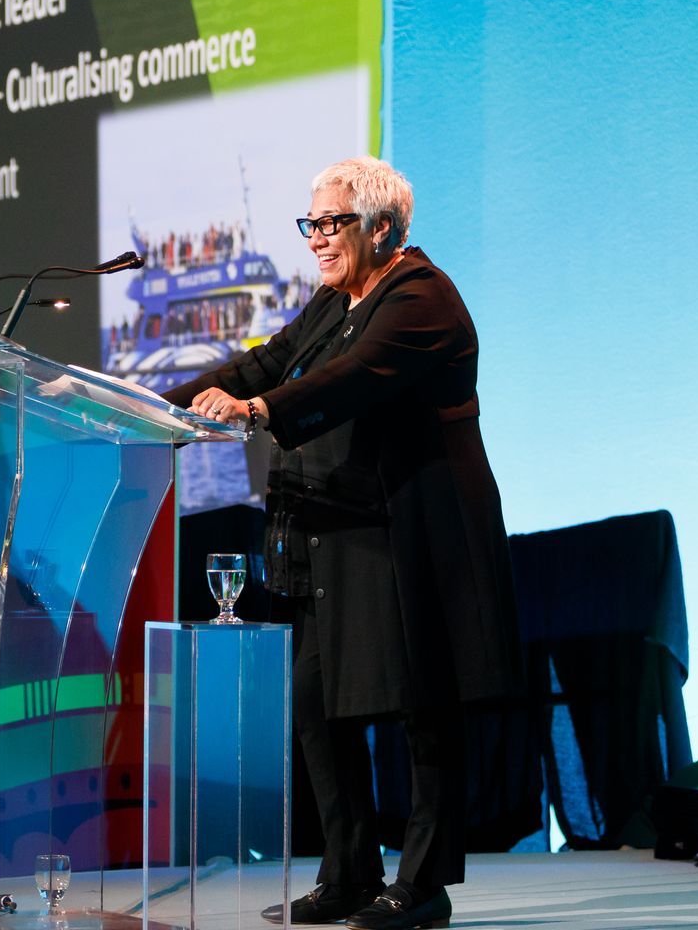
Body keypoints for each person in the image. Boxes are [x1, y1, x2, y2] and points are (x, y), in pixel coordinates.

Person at [164, 156, 522, 930]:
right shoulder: (336, 298)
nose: (319, 239)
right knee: (316, 706)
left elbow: (354, 378)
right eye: (313, 223)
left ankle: (424, 885)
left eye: (333, 223)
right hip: (341, 530)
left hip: (417, 528)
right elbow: (268, 358)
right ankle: (351, 870)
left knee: (425, 706)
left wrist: (257, 410)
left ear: (382, 227)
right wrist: (157, 406)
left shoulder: (421, 295)